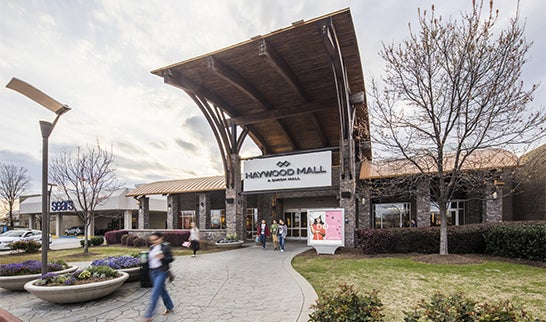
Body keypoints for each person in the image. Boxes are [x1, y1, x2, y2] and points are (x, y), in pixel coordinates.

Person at [142, 232, 175, 322]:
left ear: (161, 238)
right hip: (152, 272)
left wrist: (163, 257)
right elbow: (150, 260)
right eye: (151, 240)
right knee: (162, 290)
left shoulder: (165, 247)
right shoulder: (152, 247)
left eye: (155, 239)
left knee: (155, 292)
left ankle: (148, 315)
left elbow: (171, 258)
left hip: (161, 272)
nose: (153, 242)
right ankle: (170, 306)